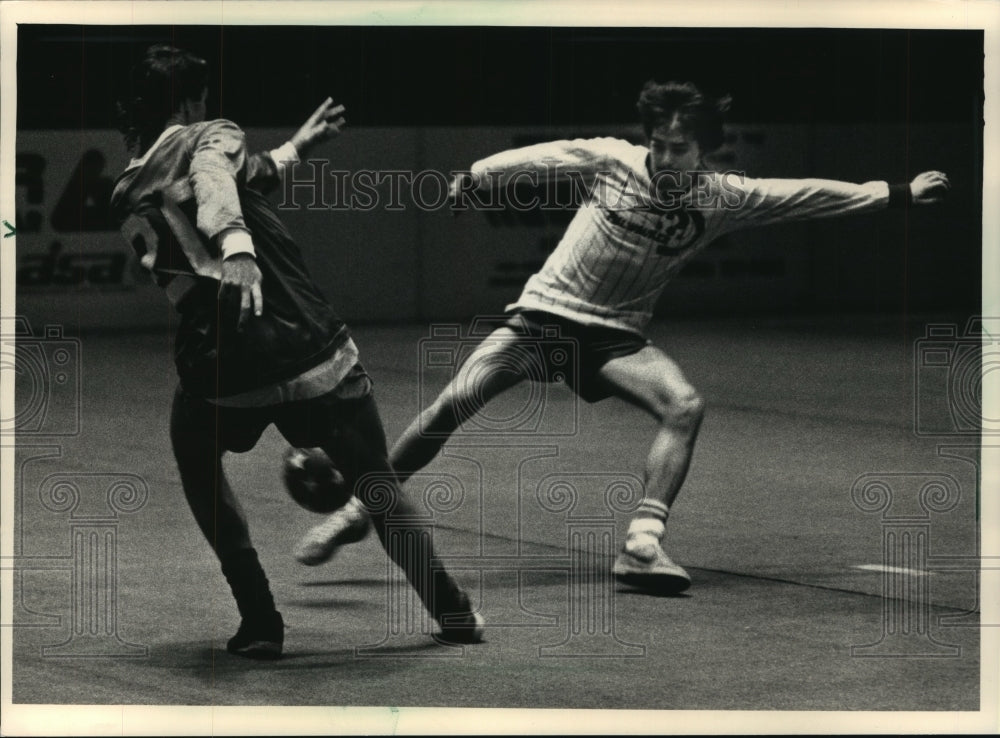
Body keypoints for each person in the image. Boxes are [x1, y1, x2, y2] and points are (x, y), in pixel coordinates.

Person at [293, 80, 950, 595]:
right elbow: (545, 157)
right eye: (659, 144)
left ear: (705, 150)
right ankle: (359, 511)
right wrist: (478, 174)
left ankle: (642, 541)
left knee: (684, 405)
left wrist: (895, 192)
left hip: (616, 339)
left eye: (679, 148)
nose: (665, 157)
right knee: (449, 408)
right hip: (544, 318)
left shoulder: (723, 197)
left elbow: (803, 194)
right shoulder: (613, 162)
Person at [110, 45, 483, 659]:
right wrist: (236, 246)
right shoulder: (213, 134)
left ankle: (259, 620)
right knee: (378, 484)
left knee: (195, 452)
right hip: (308, 347)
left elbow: (241, 176)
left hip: (222, 367)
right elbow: (214, 180)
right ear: (189, 102)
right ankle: (452, 610)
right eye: (201, 96)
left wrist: (298, 146)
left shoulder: (127, 191)